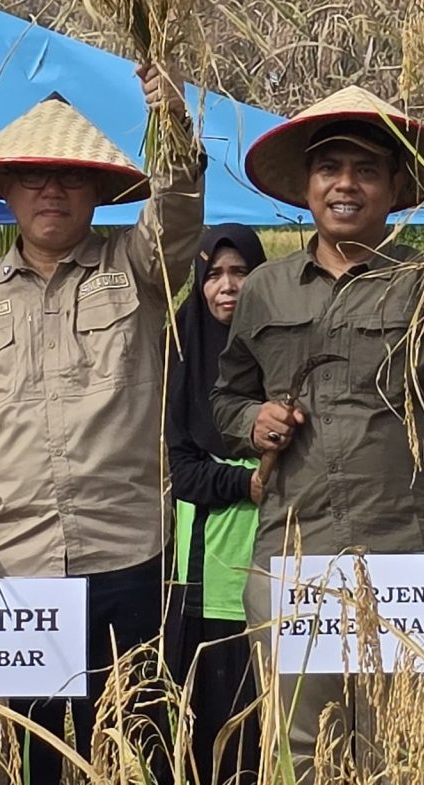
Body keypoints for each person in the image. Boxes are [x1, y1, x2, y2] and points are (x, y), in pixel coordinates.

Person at [211, 85, 424, 775]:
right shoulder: (265, 287)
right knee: (300, 746)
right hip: (296, 548)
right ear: (307, 184)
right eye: (330, 169)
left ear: (395, 187)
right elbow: (226, 397)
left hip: (404, 549)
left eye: (366, 170)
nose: (346, 184)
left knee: (405, 744)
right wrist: (251, 421)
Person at [0, 74, 203, 785]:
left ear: (97, 190)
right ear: (7, 188)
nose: (51, 190)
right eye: (34, 176)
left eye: (70, 176)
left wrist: (171, 124)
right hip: (14, 567)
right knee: (31, 758)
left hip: (128, 556)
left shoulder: (138, 270)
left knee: (138, 750)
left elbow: (179, 211)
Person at [167, 225, 267, 785]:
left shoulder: (283, 345)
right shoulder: (181, 353)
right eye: (214, 274)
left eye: (241, 271)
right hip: (210, 580)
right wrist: (248, 485)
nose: (227, 286)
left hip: (284, 569)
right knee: (216, 740)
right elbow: (182, 471)